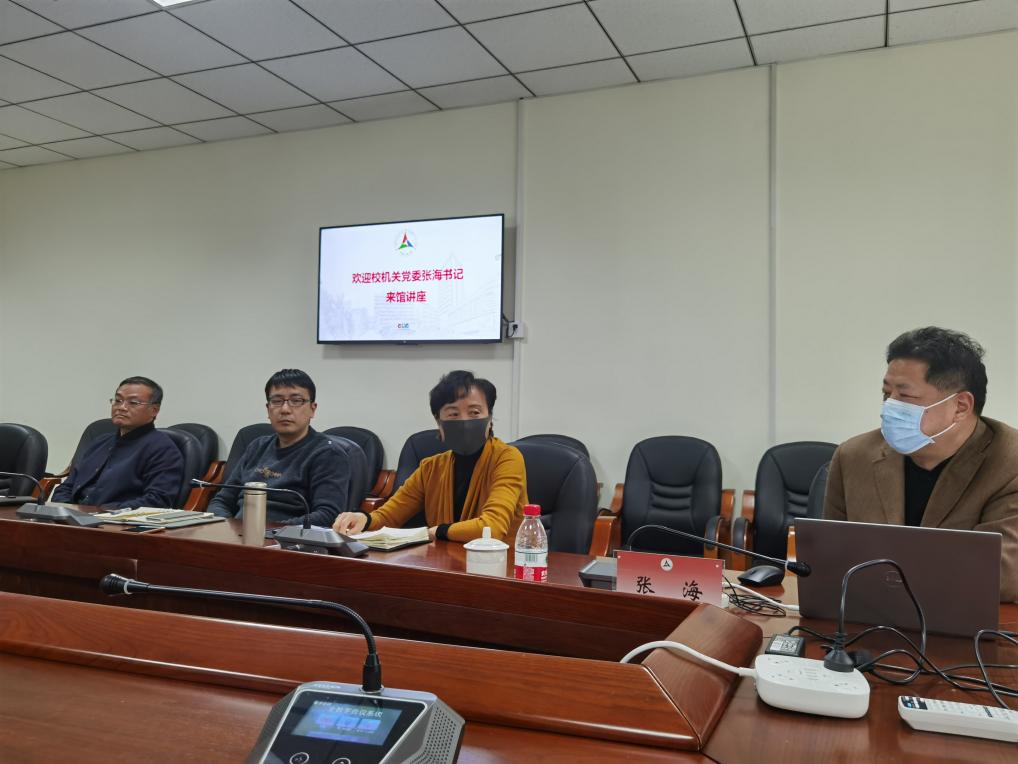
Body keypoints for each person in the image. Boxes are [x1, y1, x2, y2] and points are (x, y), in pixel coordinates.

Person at [824, 327, 1018, 602]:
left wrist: (889, 569)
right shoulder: (854, 456)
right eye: (886, 394)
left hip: (969, 621)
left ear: (961, 406)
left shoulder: (1009, 463)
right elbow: (829, 556)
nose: (889, 407)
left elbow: (1003, 574)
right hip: (868, 615)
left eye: (905, 397)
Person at [333, 370, 526, 543]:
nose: (464, 421)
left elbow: (492, 528)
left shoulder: (507, 458)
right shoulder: (430, 468)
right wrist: (364, 519)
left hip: (500, 564)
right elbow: (389, 515)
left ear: (489, 419)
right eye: (453, 414)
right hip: (443, 563)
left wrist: (437, 532)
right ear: (439, 423)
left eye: (474, 412)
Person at [208, 369, 349, 527]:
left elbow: (327, 515)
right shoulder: (257, 446)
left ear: (312, 409)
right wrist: (229, 529)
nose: (285, 409)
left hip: (287, 539)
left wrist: (268, 532)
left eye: (296, 401)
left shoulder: (328, 454)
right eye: (277, 401)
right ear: (268, 409)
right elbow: (221, 501)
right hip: (239, 534)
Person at [52, 376, 183, 508]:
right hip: (73, 516)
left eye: (133, 403)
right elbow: (66, 487)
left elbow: (157, 500)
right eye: (118, 400)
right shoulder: (99, 443)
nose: (121, 407)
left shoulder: (163, 450)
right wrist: (65, 510)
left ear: (154, 410)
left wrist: (103, 513)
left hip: (115, 518)